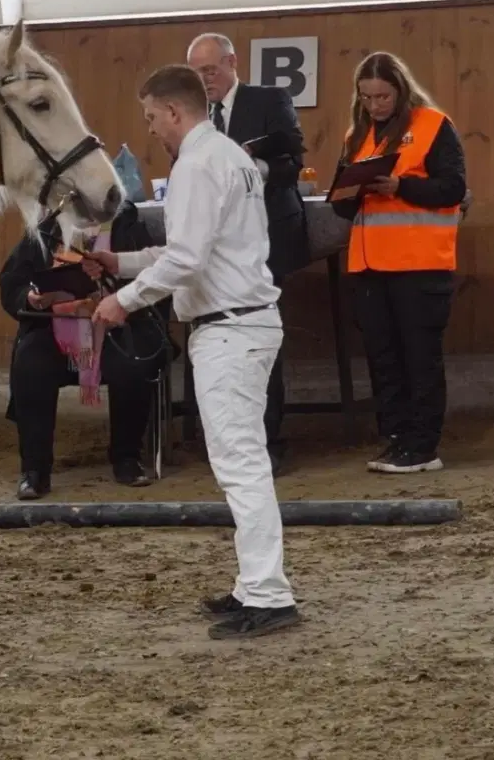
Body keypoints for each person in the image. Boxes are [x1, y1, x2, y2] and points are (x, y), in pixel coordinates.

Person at [88, 64, 300, 640]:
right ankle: (254, 583)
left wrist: (123, 302)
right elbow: (188, 250)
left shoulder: (200, 165)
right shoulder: (225, 157)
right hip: (239, 323)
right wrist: (122, 264)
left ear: (174, 112)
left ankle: (268, 593)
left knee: (240, 463)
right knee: (240, 460)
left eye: (152, 117)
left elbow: (188, 261)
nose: (152, 129)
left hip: (229, 328)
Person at [328, 52, 466, 474]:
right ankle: (396, 439)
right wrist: (348, 192)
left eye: (383, 96)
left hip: (420, 265)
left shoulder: (433, 126)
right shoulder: (357, 136)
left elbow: (453, 189)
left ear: (400, 90)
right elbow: (341, 208)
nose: (375, 105)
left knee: (419, 358)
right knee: (383, 359)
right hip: (370, 266)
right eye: (367, 97)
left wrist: (399, 185)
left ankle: (424, 447)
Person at [186, 33, 309, 475]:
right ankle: (219, 438)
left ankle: (267, 439)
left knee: (257, 340)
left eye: (211, 71)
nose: (205, 81)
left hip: (267, 240)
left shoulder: (269, 98)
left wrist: (250, 170)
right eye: (197, 74)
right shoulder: (195, 116)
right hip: (215, 245)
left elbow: (293, 159)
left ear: (232, 63)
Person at [0, 201, 171, 500]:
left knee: (132, 363)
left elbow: (156, 277)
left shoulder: (128, 227)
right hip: (56, 327)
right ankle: (35, 470)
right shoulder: (45, 230)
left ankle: (127, 458)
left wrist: (117, 296)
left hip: (117, 326)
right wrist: (31, 298)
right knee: (30, 361)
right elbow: (11, 281)